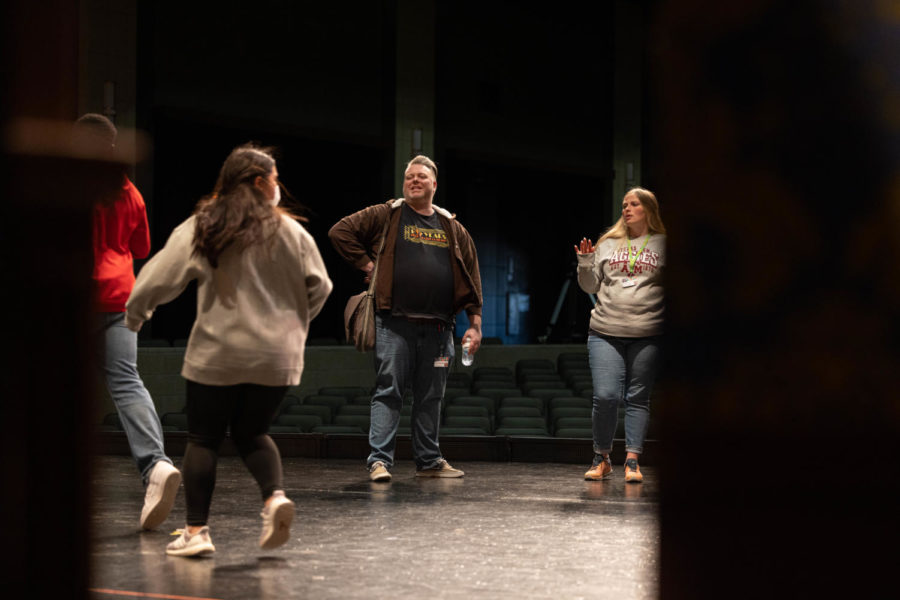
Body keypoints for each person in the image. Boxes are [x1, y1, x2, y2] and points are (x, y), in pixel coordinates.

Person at [125, 143, 333, 556]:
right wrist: (293, 325)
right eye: (275, 179)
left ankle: (197, 532)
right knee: (253, 433)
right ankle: (274, 499)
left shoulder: (206, 224)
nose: (279, 187)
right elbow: (322, 286)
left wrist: (135, 316)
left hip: (218, 353)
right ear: (259, 182)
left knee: (203, 439)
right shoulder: (291, 231)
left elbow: (157, 279)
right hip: (278, 356)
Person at [329, 155, 483, 482]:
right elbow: (340, 231)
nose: (414, 180)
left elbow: (472, 275)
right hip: (394, 324)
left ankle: (428, 462)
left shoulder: (451, 226)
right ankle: (379, 462)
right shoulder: (388, 214)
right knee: (389, 392)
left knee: (431, 396)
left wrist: (475, 323)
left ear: (434, 184)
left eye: (421, 177)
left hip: (440, 329)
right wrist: (369, 266)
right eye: (409, 176)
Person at [78, 113, 182, 531]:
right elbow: (140, 247)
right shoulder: (131, 192)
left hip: (82, 295)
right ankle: (156, 465)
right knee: (127, 382)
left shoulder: (70, 185)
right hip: (122, 296)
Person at [574, 187, 666, 483]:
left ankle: (632, 461)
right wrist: (585, 263)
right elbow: (589, 286)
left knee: (638, 397)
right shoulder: (608, 243)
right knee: (606, 396)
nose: (626, 209)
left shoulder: (664, 243)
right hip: (605, 330)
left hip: (648, 332)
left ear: (648, 209)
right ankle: (602, 457)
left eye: (634, 204)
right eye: (624, 204)